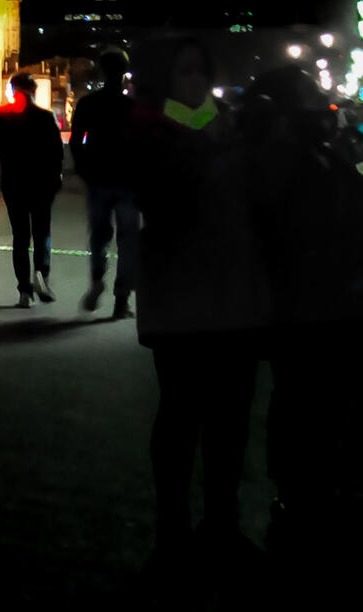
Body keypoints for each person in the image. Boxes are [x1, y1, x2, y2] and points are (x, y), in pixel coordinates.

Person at [129, 38, 269, 580]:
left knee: (230, 420)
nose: (196, 82)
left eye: (201, 70)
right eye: (185, 71)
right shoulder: (152, 130)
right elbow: (162, 200)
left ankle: (221, 525)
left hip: (233, 294)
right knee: (181, 417)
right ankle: (173, 534)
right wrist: (209, 146)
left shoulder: (220, 125)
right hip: (181, 297)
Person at [240, 64, 363, 578]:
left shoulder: (322, 154)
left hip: (331, 307)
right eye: (310, 97)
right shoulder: (277, 164)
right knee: (304, 402)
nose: (323, 106)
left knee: (323, 402)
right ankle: (299, 497)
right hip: (306, 309)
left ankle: (319, 490)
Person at [72, 48, 139, 318]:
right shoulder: (132, 106)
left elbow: (76, 142)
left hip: (98, 178)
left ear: (101, 71)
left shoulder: (88, 104)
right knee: (128, 241)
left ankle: (97, 280)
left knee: (99, 237)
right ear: (124, 72)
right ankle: (122, 299)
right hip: (127, 180)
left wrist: (84, 170)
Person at [0, 72, 65, 307]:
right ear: (34, 91)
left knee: (20, 237)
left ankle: (24, 291)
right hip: (42, 182)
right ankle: (41, 274)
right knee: (42, 233)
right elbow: (57, 152)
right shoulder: (46, 117)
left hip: (14, 182)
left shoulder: (0, 117)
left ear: (13, 91)